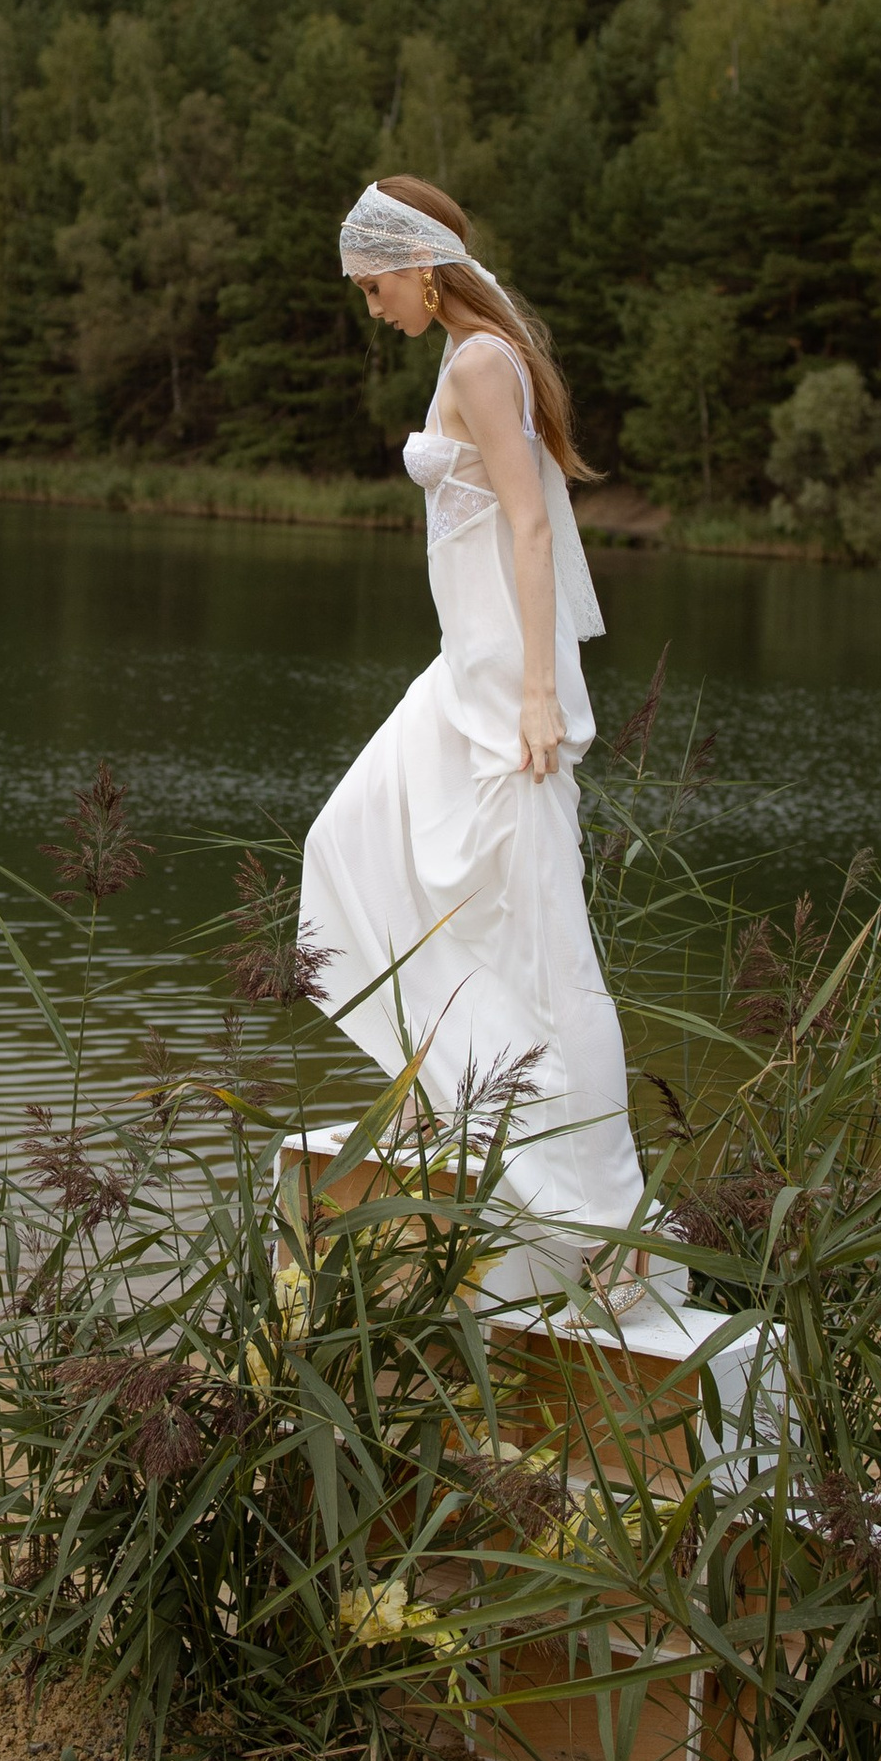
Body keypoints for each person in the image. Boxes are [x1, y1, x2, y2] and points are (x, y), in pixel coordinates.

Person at [298, 174, 648, 1308]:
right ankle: (449, 1083)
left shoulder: (483, 362)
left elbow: (532, 528)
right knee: (354, 846)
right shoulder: (469, 355)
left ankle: (601, 1219)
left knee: (543, 939)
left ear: (419, 265)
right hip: (465, 670)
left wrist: (539, 692)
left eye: (374, 286)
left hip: (503, 684)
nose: (372, 307)